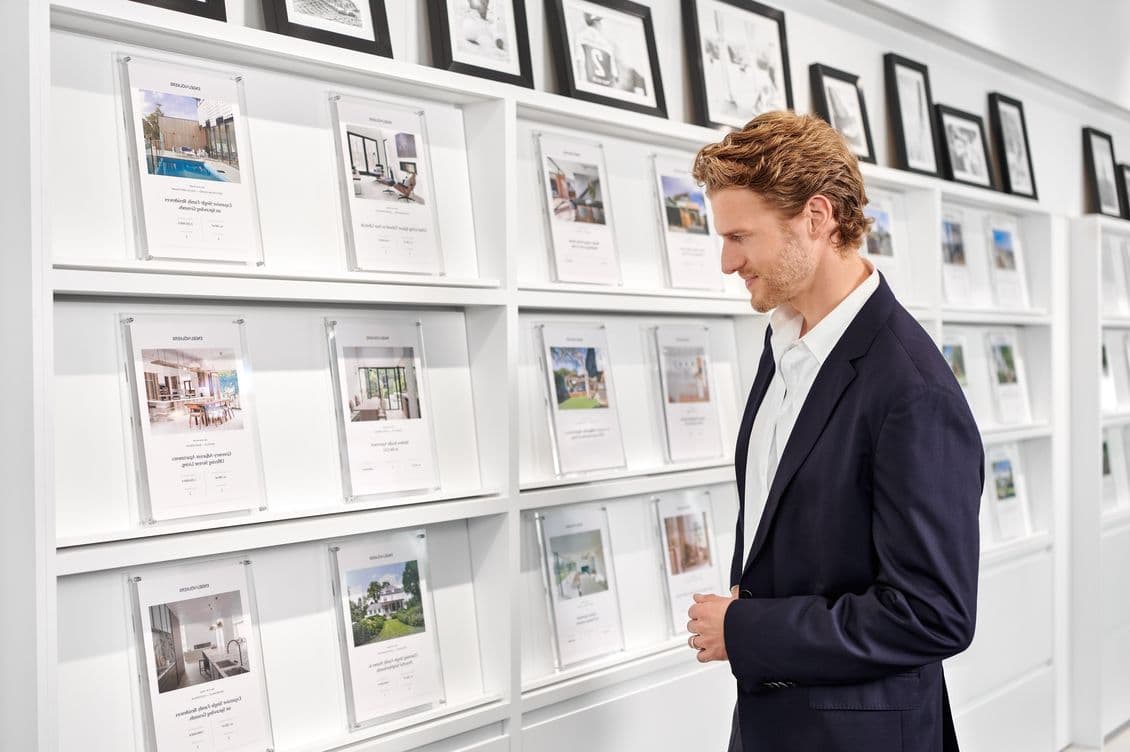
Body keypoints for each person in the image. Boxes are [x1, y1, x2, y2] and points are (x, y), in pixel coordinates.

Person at [685, 111, 982, 752]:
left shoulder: (913, 390)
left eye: (740, 236)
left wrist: (747, 630)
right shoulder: (784, 343)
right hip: (774, 724)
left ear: (816, 219)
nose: (726, 261)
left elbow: (934, 615)